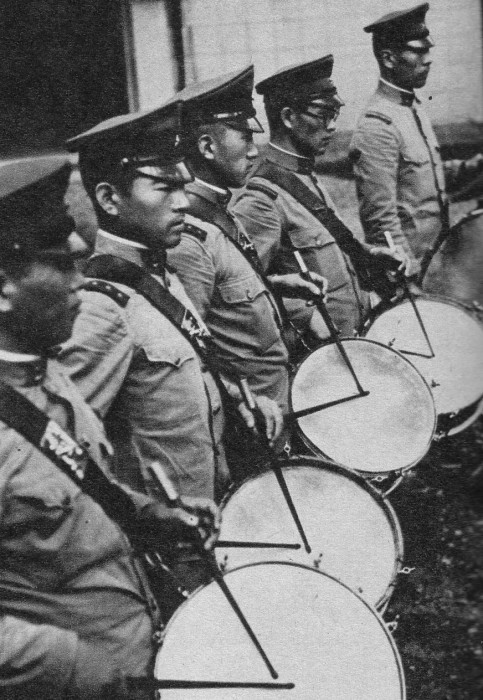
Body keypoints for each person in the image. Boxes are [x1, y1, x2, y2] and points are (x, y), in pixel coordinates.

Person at [0, 156, 220, 700]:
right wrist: (64, 664)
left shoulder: (40, 364)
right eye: (63, 266)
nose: (84, 280)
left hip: (134, 650)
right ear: (3, 289)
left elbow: (71, 490)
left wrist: (148, 514)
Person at [168, 65, 326, 418]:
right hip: (253, 417)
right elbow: (193, 346)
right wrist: (241, 405)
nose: (255, 152)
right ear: (207, 147)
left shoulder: (221, 208)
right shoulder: (189, 236)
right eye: (245, 139)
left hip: (277, 399)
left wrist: (278, 284)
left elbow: (228, 295)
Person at [233, 54, 406, 342]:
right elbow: (244, 292)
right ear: (288, 117)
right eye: (323, 115)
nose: (333, 126)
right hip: (318, 356)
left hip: (352, 342)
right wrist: (303, 315)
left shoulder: (308, 177)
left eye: (334, 115)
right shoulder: (261, 199)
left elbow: (324, 249)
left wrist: (369, 254)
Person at [349, 2, 483, 279]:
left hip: (438, 262)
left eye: (428, 50)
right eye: (418, 51)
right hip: (415, 273)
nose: (428, 59)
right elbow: (380, 222)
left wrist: (477, 165)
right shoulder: (377, 125)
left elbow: (425, 182)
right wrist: (408, 280)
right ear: (388, 58)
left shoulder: (412, 108)